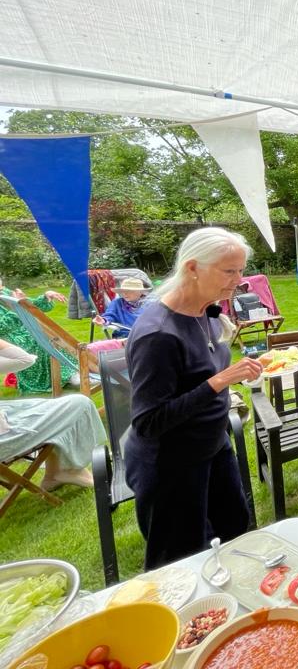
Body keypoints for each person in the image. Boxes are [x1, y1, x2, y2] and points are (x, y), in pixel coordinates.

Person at [124, 227, 261, 569]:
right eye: (229, 271)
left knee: (235, 529)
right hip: (171, 465)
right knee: (183, 561)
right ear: (192, 268)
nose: (239, 280)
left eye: (241, 270)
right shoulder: (158, 335)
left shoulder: (206, 312)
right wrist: (220, 381)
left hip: (213, 446)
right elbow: (148, 422)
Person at [0, 339, 103, 491]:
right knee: (77, 405)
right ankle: (65, 470)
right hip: (5, 435)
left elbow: (25, 360)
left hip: (7, 416)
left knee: (59, 407)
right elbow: (25, 359)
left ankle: (58, 471)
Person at [0, 278, 74, 393]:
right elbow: (2, 328)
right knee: (41, 341)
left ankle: (67, 373)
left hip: (21, 331)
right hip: (6, 339)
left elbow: (31, 306)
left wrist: (46, 296)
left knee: (51, 337)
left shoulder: (4, 293)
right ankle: (50, 380)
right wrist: (17, 307)